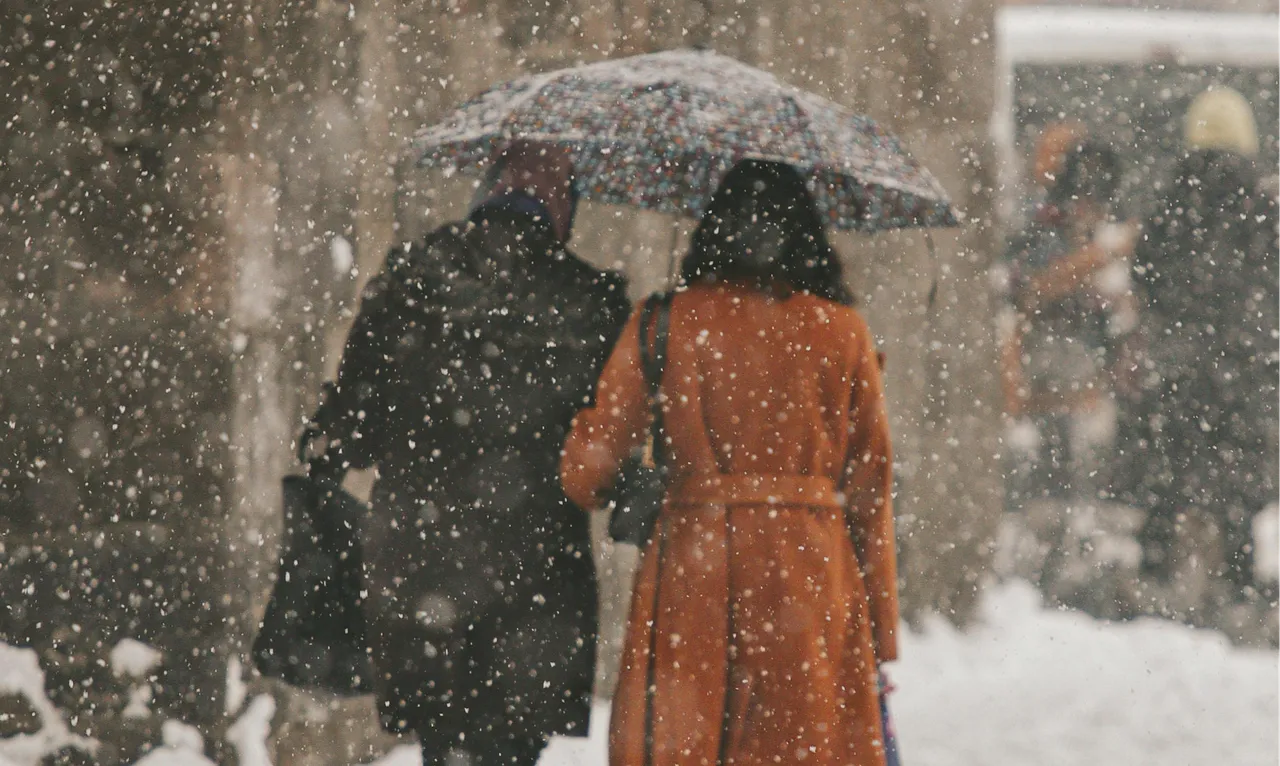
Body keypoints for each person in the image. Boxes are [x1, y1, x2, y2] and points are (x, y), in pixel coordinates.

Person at [560, 160, 898, 765]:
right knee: (798, 741)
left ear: (712, 231)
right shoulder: (843, 331)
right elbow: (871, 484)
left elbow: (588, 473)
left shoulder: (665, 322)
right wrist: (879, 630)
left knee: (690, 736)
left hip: (697, 562)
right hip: (809, 569)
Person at [312, 141, 631, 765]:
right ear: (562, 209)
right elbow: (605, 450)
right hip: (535, 576)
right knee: (510, 745)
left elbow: (351, 430)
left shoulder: (411, 277)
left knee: (445, 742)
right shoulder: (591, 301)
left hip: (420, 563)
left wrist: (334, 440)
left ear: (486, 191)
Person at [1130, 88, 1278, 591]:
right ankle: (1239, 578)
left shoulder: (1173, 196)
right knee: (1239, 469)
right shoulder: (1264, 201)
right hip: (1246, 356)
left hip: (1181, 358)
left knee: (1170, 460)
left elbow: (1144, 271)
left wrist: (1173, 320)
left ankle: (1154, 568)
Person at [1000, 136, 1136, 530]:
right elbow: (1034, 285)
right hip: (1044, 387)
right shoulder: (1046, 226)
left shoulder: (1101, 233)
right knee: (1042, 504)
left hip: (1088, 389)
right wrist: (1099, 259)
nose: (1090, 207)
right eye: (1084, 196)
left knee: (1081, 503)